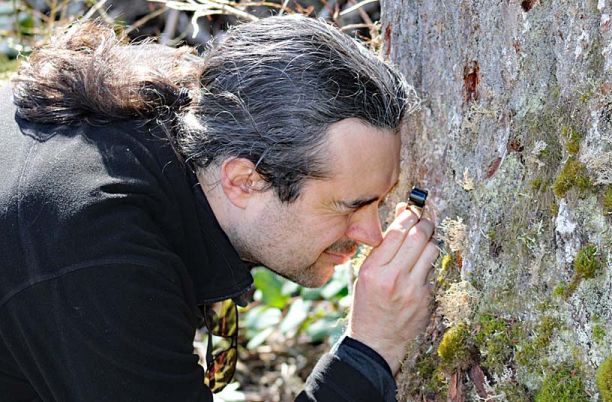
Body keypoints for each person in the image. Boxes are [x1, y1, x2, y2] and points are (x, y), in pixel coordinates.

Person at [0, 14, 439, 402]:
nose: (372, 234)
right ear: (244, 181)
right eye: (349, 207)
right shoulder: (97, 257)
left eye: (380, 201)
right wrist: (371, 350)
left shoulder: (180, 108)